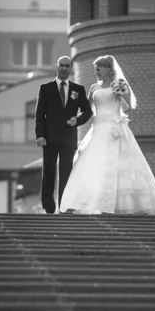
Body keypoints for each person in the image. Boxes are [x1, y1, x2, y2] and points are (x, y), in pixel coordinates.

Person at [60, 55, 155, 215]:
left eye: (98, 69)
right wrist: (74, 119)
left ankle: (118, 205)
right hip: (97, 131)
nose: (96, 72)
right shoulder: (93, 88)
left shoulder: (119, 84)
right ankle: (85, 202)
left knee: (118, 165)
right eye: (95, 69)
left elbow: (128, 109)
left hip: (115, 131)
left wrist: (121, 95)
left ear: (108, 70)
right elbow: (87, 110)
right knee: (93, 164)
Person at [35, 56, 93, 214]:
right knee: (48, 172)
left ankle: (64, 205)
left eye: (67, 66)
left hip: (68, 138)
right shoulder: (45, 88)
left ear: (71, 68)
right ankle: (48, 206)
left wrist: (78, 120)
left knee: (66, 173)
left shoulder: (78, 89)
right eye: (61, 65)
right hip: (49, 137)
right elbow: (40, 115)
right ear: (56, 67)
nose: (64, 68)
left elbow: (88, 111)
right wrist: (40, 135)